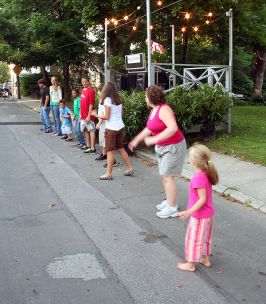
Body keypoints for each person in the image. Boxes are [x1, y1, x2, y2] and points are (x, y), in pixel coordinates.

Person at [129, 85, 186, 218]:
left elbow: (172, 128)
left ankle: (172, 208)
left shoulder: (164, 109)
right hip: (163, 147)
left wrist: (154, 140)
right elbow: (148, 129)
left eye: (145, 96)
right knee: (165, 175)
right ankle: (169, 201)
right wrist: (136, 140)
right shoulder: (154, 110)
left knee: (168, 176)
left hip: (173, 146)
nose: (145, 98)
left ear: (151, 97)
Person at [177, 144, 219, 272]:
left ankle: (190, 264)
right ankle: (204, 258)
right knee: (204, 238)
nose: (188, 159)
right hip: (208, 214)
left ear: (194, 161)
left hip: (200, 216)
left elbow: (202, 199)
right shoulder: (206, 173)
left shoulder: (198, 177)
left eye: (189, 157)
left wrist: (188, 212)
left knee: (193, 239)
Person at [92, 82, 133, 180]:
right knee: (121, 148)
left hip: (111, 129)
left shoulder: (107, 100)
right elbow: (121, 113)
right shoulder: (118, 100)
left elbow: (106, 116)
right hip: (120, 127)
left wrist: (96, 115)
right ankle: (130, 168)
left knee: (109, 150)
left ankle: (108, 173)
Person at [80, 76, 96, 154]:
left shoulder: (91, 91)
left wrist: (89, 115)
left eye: (85, 81)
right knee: (86, 130)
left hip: (88, 115)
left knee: (91, 130)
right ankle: (88, 145)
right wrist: (80, 113)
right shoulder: (83, 90)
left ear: (88, 82)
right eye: (83, 82)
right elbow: (81, 102)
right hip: (83, 115)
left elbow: (91, 104)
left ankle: (93, 148)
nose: (84, 83)